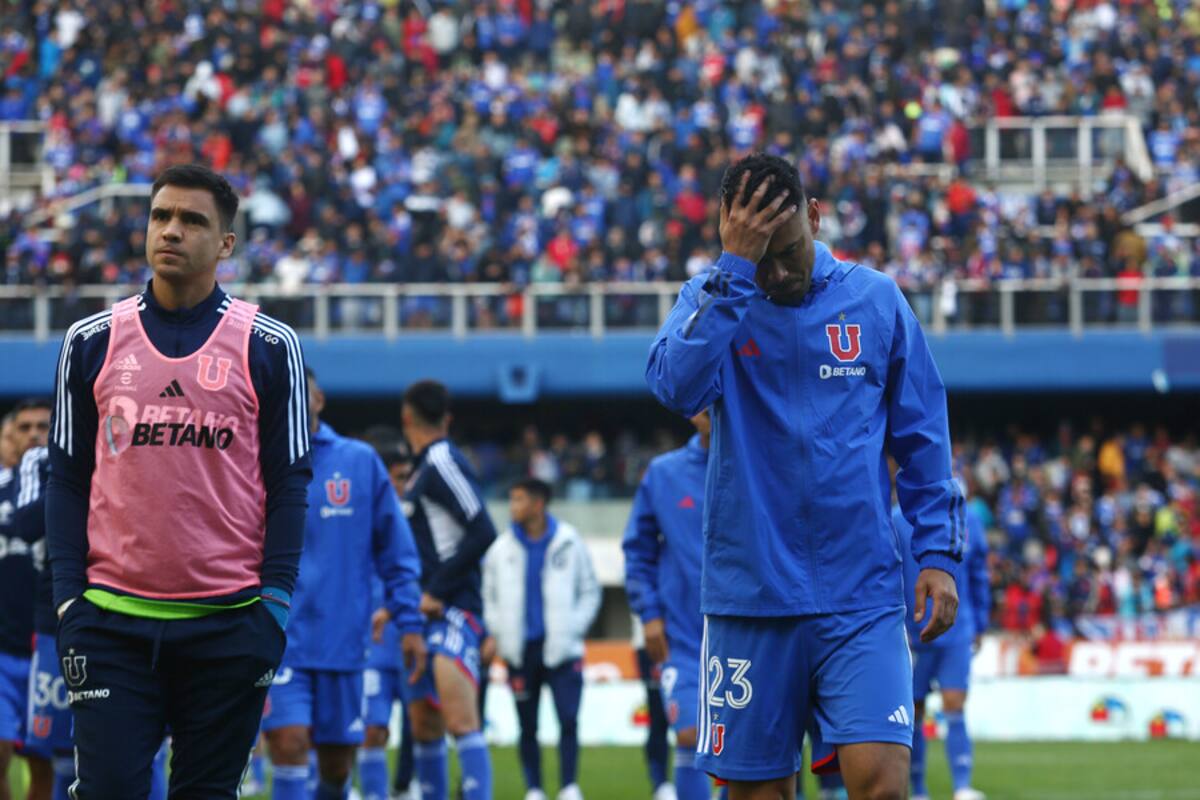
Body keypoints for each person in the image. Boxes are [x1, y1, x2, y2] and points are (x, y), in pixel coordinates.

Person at [646, 153, 962, 800]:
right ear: (733, 240)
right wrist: (736, 271)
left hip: (861, 596)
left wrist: (937, 552)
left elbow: (924, 438)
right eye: (763, 254)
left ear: (815, 217)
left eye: (790, 247)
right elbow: (674, 387)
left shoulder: (876, 301)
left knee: (883, 785)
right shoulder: (714, 298)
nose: (780, 270)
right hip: (749, 602)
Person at [47, 163, 312, 798]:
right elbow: (65, 479)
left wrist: (272, 608)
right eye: (161, 216)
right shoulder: (92, 340)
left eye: (192, 220)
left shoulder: (269, 345)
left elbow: (289, 484)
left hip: (229, 625)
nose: (171, 230)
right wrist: (67, 601)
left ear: (226, 243)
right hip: (110, 623)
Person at [263, 369, 426, 800]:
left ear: (319, 398)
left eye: (303, 392)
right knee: (289, 742)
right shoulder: (256, 459)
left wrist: (409, 623)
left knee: (336, 764)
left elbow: (397, 551)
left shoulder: (359, 462)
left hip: (343, 644)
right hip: (279, 641)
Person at [400, 380, 498, 800]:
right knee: (424, 723)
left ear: (407, 418)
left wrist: (437, 589)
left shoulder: (441, 460)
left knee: (460, 722)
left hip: (452, 609)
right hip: (424, 614)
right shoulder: (422, 467)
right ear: (447, 416)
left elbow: (483, 529)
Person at [483, 478, 601, 800]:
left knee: (568, 720)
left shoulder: (569, 542)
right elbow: (488, 596)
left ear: (538, 504)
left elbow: (590, 590)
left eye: (518, 500)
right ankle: (534, 789)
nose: (512, 507)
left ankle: (568, 787)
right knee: (527, 726)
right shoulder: (501, 548)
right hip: (520, 651)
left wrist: (574, 627)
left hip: (563, 649)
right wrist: (499, 631)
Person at [622, 410, 713, 800]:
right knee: (691, 734)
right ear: (694, 412)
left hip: (751, 634)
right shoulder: (663, 474)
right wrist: (649, 614)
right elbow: (637, 550)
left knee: (749, 750)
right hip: (684, 639)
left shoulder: (762, 464)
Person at [894, 490, 990, 800]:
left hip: (958, 628)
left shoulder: (968, 518)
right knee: (915, 710)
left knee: (955, 703)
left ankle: (962, 786)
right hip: (914, 632)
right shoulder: (896, 519)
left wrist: (981, 621)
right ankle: (918, 790)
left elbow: (978, 573)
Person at [362, 439, 421, 800]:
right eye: (396, 477)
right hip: (374, 640)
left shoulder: (420, 517)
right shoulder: (357, 516)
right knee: (373, 729)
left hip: (412, 634)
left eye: (405, 478)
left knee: (421, 724)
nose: (401, 486)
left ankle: (405, 785)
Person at [0, 399, 50, 800]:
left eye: (44, 427)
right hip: (0, 648)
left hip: (46, 647)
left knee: (46, 766)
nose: (34, 435)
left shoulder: (66, 493)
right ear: (8, 437)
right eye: (25, 427)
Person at [632, 619, 673, 800]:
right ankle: (660, 784)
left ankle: (717, 781)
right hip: (652, 642)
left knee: (702, 716)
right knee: (658, 718)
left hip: (691, 639)